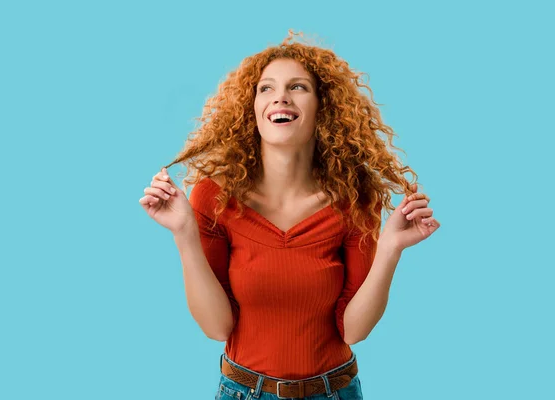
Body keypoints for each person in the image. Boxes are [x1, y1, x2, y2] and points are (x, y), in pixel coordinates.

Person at [139, 30, 440, 400]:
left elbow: (354, 330)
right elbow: (217, 327)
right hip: (243, 392)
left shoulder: (355, 198)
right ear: (251, 108)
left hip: (334, 391)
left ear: (322, 107)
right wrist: (184, 233)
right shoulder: (215, 197)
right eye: (266, 88)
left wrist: (391, 248)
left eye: (297, 87)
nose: (280, 96)